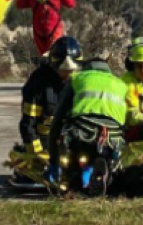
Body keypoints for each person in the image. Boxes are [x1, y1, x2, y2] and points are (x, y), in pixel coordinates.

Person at [47, 49, 128, 196]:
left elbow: (58, 118)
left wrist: (53, 158)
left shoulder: (77, 78)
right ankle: (106, 170)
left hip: (82, 131)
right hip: (112, 135)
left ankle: (73, 181)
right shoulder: (121, 84)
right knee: (112, 156)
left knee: (71, 144)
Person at [6, 36, 82, 187]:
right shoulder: (38, 83)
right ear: (54, 66)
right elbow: (28, 124)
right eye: (63, 71)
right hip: (45, 142)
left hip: (73, 140)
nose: (67, 75)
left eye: (71, 71)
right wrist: (39, 154)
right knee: (29, 169)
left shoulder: (83, 81)